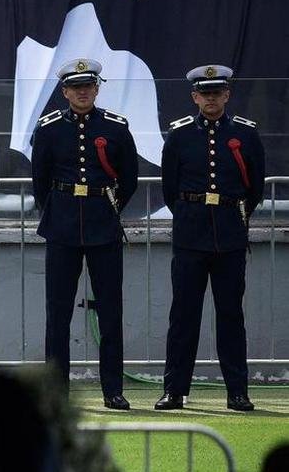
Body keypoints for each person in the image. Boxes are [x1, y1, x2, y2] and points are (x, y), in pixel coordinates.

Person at [155, 65, 264, 413]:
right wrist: (192, 212)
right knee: (183, 316)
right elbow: (170, 189)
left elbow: (255, 188)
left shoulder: (245, 134)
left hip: (230, 235)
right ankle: (175, 390)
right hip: (191, 234)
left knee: (231, 315)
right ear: (195, 97)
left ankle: (237, 392)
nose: (211, 99)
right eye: (205, 93)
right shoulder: (180, 134)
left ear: (227, 95)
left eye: (218, 93)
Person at [30, 58, 138, 410]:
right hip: (62, 227)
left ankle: (112, 389)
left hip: (102, 225)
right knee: (57, 314)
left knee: (110, 312)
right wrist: (59, 211)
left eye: (88, 86)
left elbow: (129, 180)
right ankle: (56, 392)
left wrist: (107, 209)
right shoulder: (48, 129)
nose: (82, 92)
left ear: (96, 88)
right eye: (75, 87)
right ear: (65, 91)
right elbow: (41, 183)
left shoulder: (116, 127)